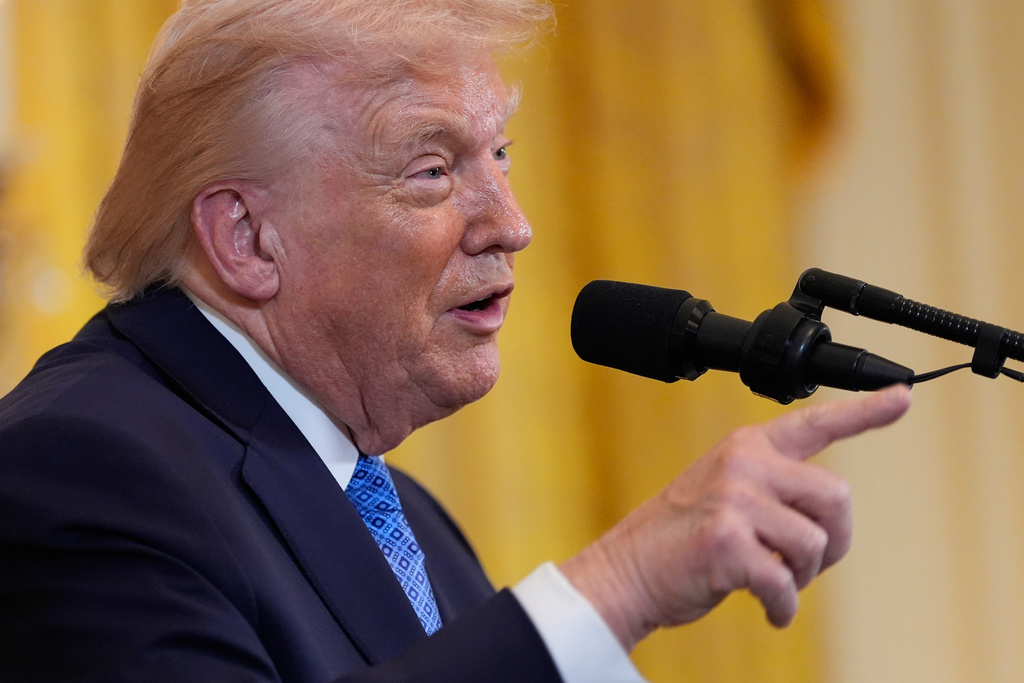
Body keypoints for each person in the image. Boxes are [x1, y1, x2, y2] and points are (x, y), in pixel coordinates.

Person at [0, 0, 912, 681]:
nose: (511, 224)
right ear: (245, 237)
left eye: (502, 156)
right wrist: (620, 583)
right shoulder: (77, 464)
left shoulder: (406, 517)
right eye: (433, 169)